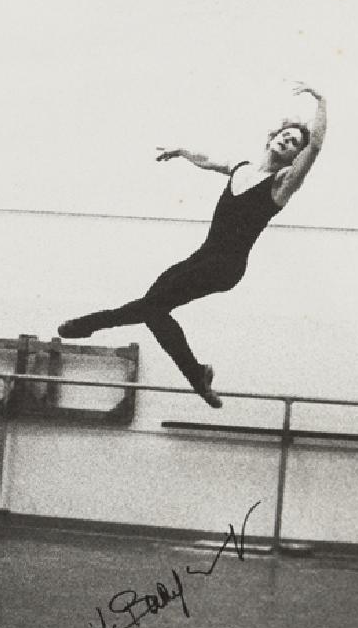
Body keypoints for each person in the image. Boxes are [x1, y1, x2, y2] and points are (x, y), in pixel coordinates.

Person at [58, 82, 328, 406]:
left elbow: (315, 149)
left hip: (226, 266)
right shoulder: (242, 169)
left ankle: (88, 324)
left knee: (152, 307)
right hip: (203, 256)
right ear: (272, 137)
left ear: (293, 157)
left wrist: (321, 101)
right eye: (285, 135)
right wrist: (183, 152)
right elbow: (211, 160)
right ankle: (197, 374)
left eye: (293, 143)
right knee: (154, 309)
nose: (286, 141)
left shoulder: (281, 185)